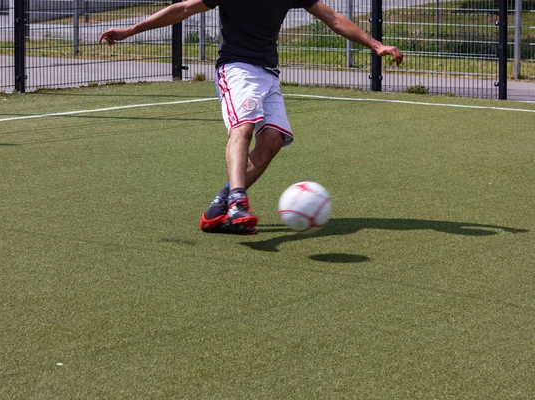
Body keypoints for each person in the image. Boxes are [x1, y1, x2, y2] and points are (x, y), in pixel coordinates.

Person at [99, 0, 403, 235]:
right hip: (236, 69)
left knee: (272, 140)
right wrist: (130, 31)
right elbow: (182, 8)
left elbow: (333, 18)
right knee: (242, 127)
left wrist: (376, 45)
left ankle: (222, 207)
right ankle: (238, 201)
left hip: (268, 73)